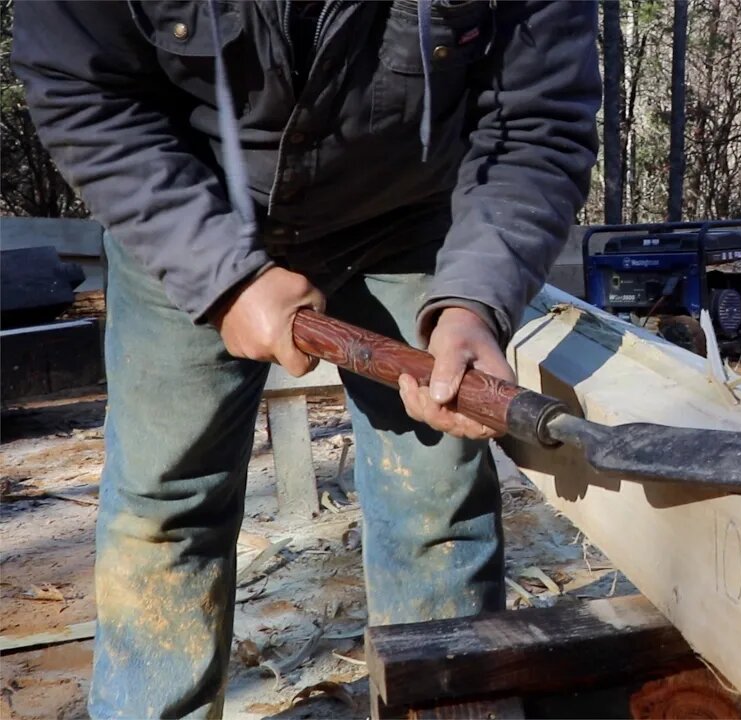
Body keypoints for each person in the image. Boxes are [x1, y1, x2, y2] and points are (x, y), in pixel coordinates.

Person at [12, 1, 600, 716]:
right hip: (182, 203)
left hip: (412, 217)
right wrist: (219, 274)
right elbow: (83, 94)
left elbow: (537, 122)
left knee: (435, 502)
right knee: (164, 508)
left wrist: (475, 298)